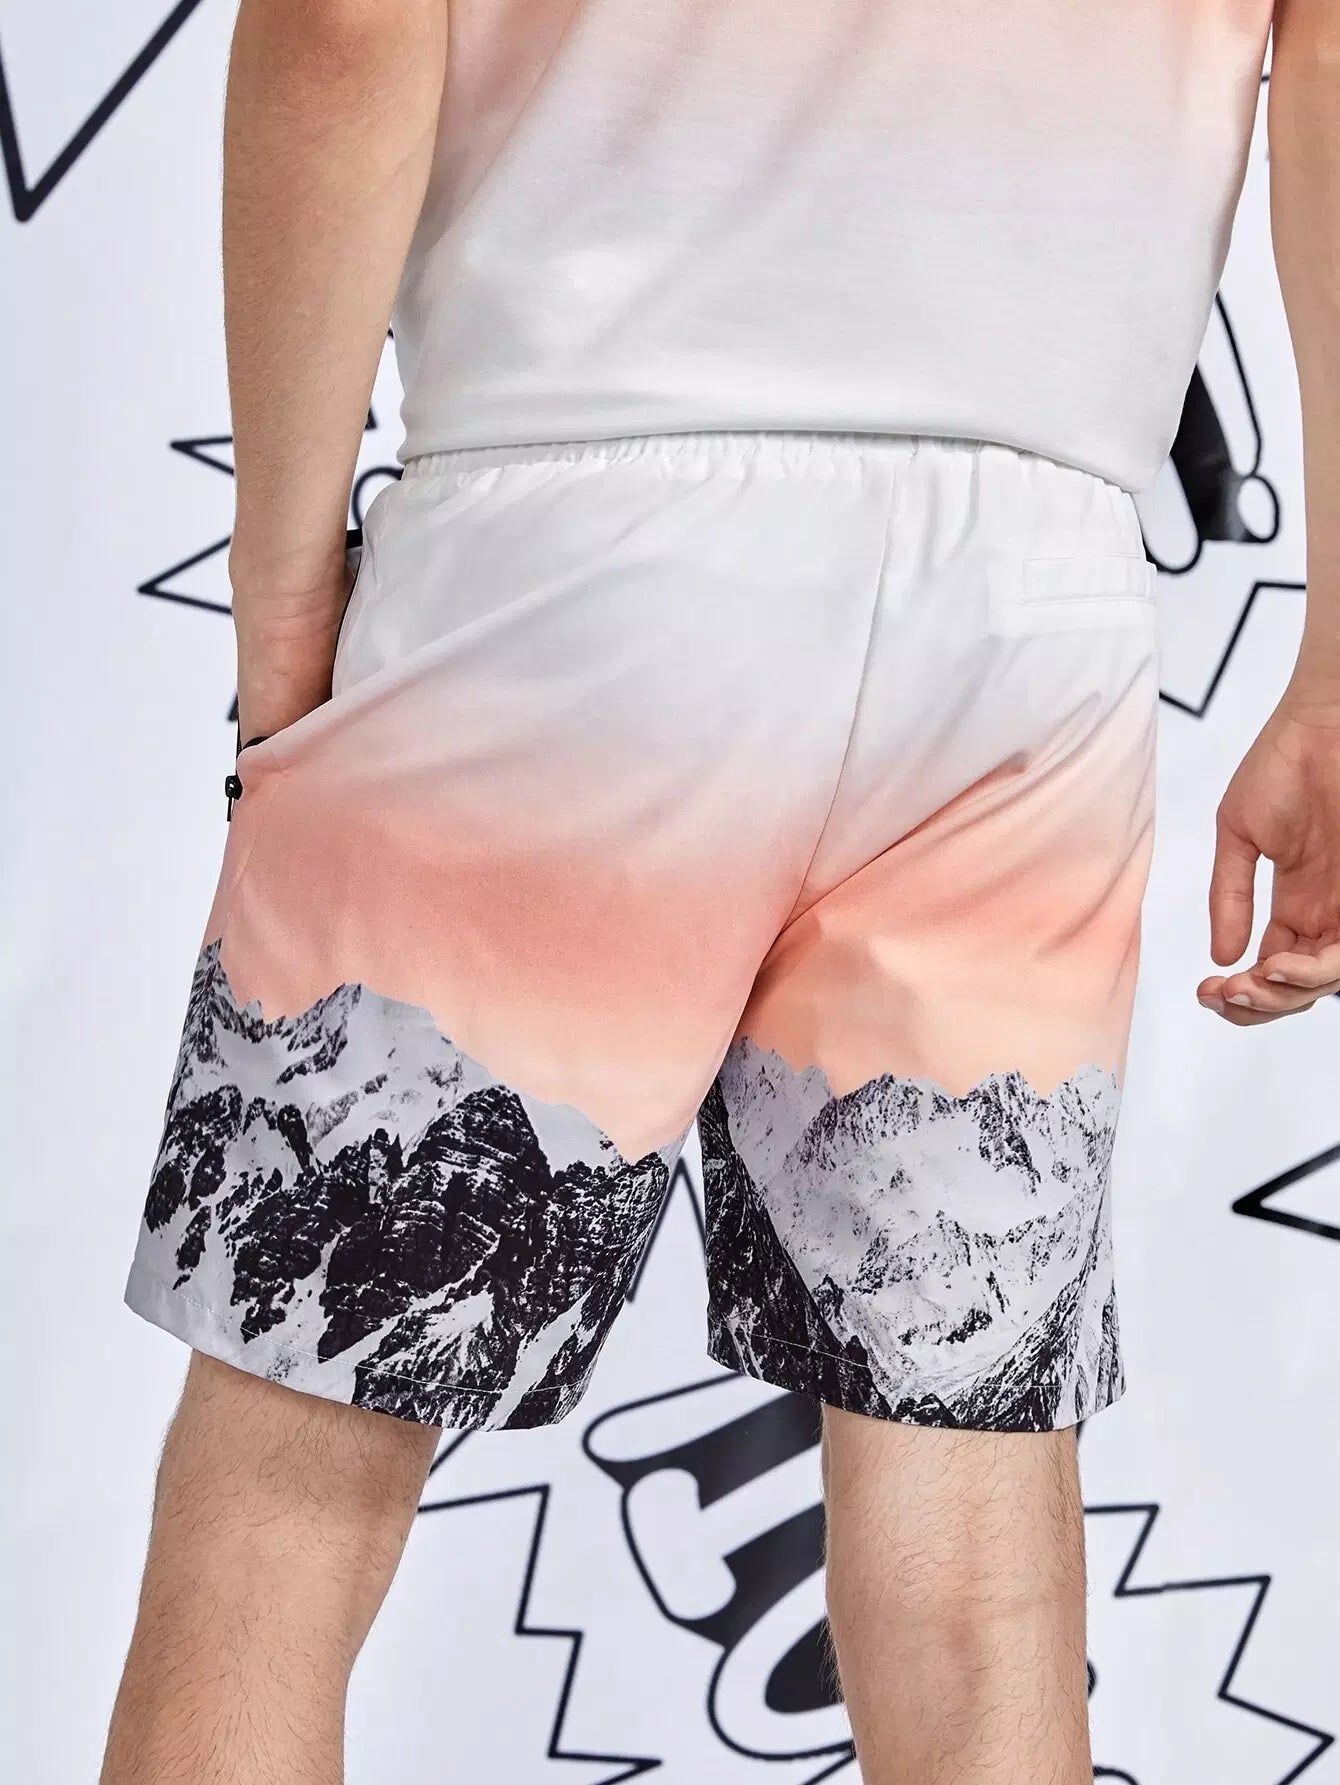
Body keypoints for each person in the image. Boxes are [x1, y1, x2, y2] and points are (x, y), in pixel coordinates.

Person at [102, 2, 1340, 1780]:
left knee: (283, 1519)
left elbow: (343, 21)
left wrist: (287, 592)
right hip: (1032, 606)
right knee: (977, 1573)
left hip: (562, 549)